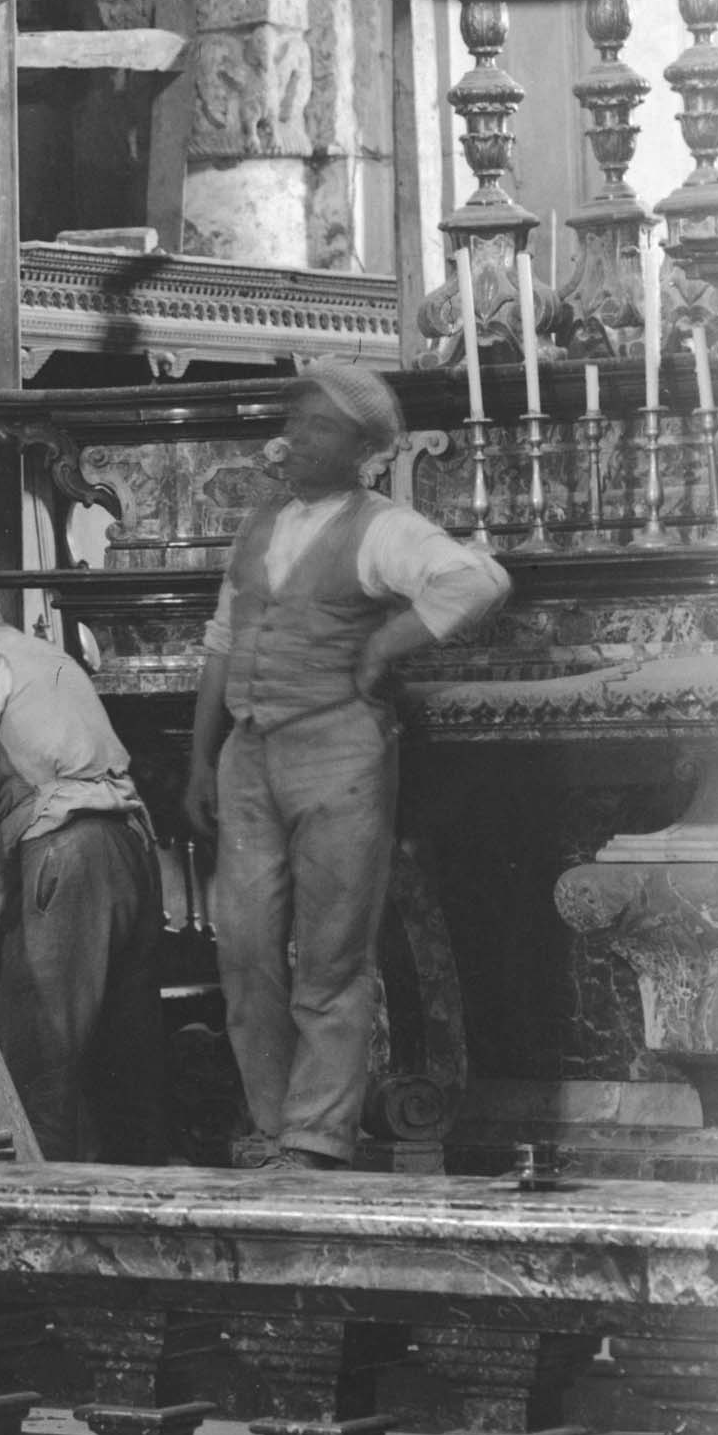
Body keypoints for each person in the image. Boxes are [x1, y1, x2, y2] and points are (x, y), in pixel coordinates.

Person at [182, 361, 509, 1171]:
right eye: (294, 421)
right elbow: (222, 641)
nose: (295, 438)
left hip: (338, 754)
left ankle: (316, 1138)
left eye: (318, 427)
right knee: (243, 951)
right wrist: (200, 758)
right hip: (248, 753)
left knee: (330, 957)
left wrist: (384, 644)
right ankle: (271, 1128)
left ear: (362, 449)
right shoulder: (259, 523)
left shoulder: (381, 527)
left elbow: (476, 579)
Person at [0, 533, 168, 1162]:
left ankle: (32, 1213)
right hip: (131, 847)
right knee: (125, 1074)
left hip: (70, 855)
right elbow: (27, 799)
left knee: (38, 1071)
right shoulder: (48, 660)